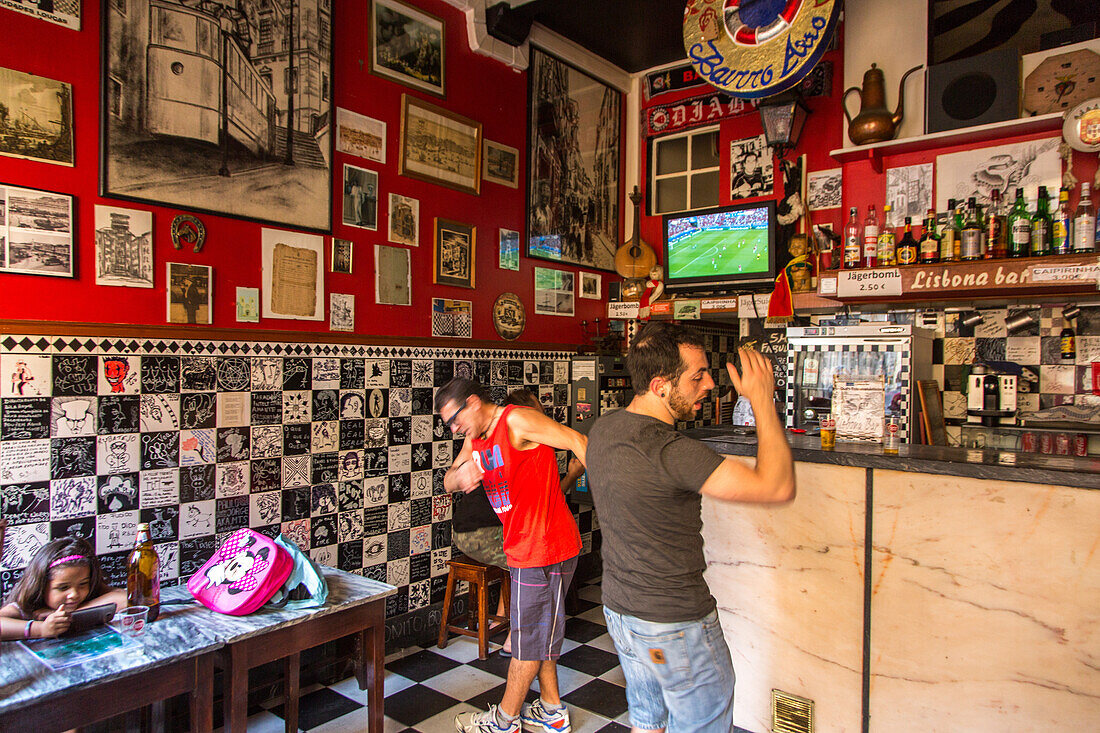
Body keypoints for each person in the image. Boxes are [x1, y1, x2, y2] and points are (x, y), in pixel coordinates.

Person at [586, 322, 795, 733]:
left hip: (622, 616)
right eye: (697, 376)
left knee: (649, 723)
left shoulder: (603, 429)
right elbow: (777, 485)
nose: (710, 385)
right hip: (674, 626)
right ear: (661, 386)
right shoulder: (672, 451)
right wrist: (763, 402)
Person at [435, 379, 587, 733]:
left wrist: (616, 499)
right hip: (523, 547)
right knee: (538, 635)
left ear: (473, 403)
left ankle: (504, 721)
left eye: (455, 420)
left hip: (545, 547)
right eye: (449, 425)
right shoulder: (475, 437)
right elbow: (447, 480)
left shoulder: (517, 421)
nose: (454, 429)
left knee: (526, 643)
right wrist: (463, 476)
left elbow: (579, 441)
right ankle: (552, 711)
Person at [1, 537, 127, 641]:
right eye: (63, 588)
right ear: (41, 586)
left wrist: (71, 616)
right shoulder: (28, 608)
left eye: (83, 584)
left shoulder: (89, 595)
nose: (74, 594)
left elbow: (125, 599)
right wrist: (40, 629)